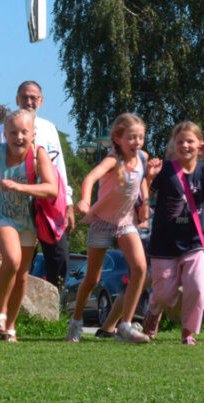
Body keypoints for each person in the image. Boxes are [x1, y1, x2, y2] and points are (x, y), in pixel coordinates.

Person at [0, 109, 59, 342]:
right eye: (13, 132)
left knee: (22, 276)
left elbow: (51, 188)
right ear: (4, 134)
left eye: (24, 132)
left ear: (33, 134)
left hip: (27, 219)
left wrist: (19, 187)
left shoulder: (39, 156)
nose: (19, 137)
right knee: (13, 259)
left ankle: (10, 328)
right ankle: (0, 311)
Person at [142, 121, 204, 345]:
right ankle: (154, 310)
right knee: (164, 293)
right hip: (164, 242)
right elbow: (143, 197)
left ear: (199, 144)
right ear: (174, 145)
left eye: (190, 141)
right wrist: (148, 176)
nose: (185, 145)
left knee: (197, 287)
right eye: (180, 141)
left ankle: (188, 332)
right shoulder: (164, 169)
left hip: (194, 242)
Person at [67, 113, 151, 343]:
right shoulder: (113, 160)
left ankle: (125, 325)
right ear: (117, 139)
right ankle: (75, 321)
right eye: (132, 137)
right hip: (102, 222)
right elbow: (90, 178)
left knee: (140, 268)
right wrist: (84, 200)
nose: (137, 142)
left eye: (141, 137)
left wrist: (145, 202)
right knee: (92, 279)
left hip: (125, 222)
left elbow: (142, 179)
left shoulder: (142, 158)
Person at [0, 81, 73, 297]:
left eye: (33, 98)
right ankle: (10, 307)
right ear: (17, 99)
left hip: (47, 204)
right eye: (25, 97)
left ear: (41, 101)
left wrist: (69, 204)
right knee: (16, 261)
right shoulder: (3, 130)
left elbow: (59, 170)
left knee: (59, 255)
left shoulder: (49, 129)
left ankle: (55, 307)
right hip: (16, 205)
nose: (29, 102)